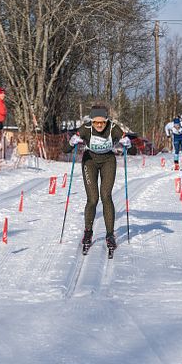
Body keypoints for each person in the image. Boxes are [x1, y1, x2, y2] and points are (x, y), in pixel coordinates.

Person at [63, 105, 137, 253]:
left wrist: (129, 144)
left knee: (106, 196)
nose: (98, 125)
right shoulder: (86, 128)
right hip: (89, 161)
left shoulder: (114, 129)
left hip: (108, 161)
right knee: (92, 199)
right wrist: (72, 142)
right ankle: (88, 232)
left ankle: (110, 235)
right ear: (92, 121)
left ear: (106, 121)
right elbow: (65, 150)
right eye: (96, 122)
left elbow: (133, 151)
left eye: (102, 122)